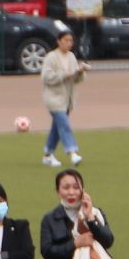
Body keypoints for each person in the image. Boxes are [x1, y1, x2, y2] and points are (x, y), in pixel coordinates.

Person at [39, 31, 85, 166]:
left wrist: (80, 72)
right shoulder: (51, 57)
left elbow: (76, 78)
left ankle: (48, 154)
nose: (69, 43)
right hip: (54, 99)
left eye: (71, 40)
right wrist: (64, 75)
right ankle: (73, 152)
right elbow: (47, 77)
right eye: (66, 40)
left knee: (56, 128)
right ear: (59, 41)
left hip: (67, 100)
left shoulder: (71, 57)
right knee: (64, 125)